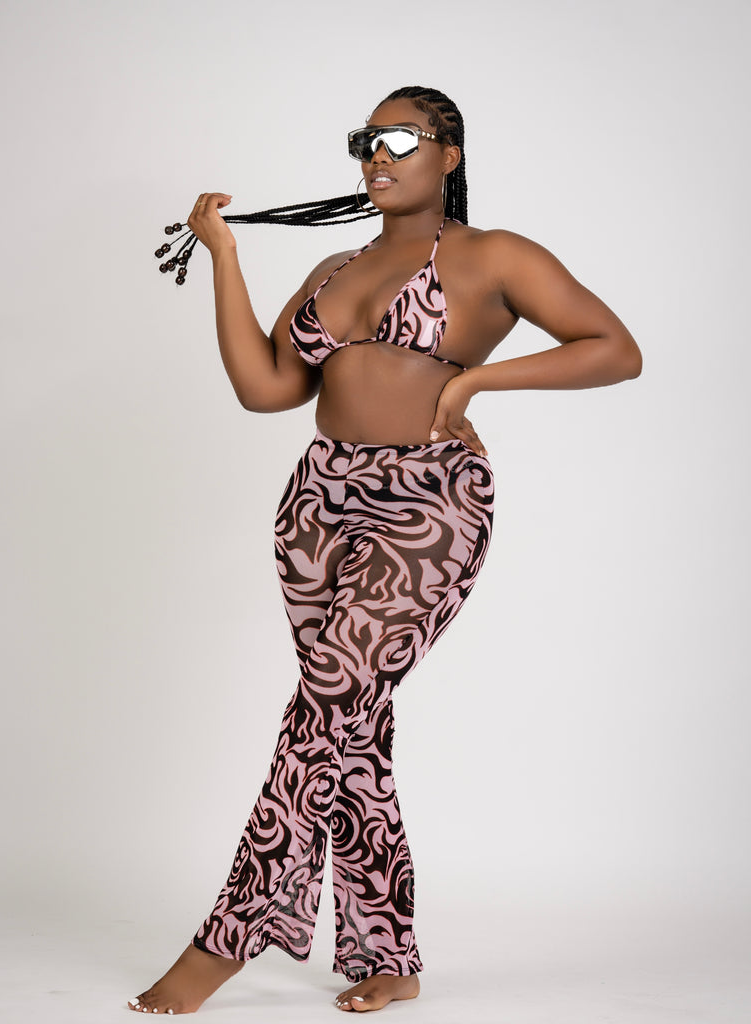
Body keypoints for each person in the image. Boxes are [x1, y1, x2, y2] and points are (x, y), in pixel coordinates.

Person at [130, 85, 642, 1016]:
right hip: (317, 503)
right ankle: (389, 956)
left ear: (449, 154)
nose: (379, 153)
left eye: (402, 137)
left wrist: (477, 381)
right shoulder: (335, 266)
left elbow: (615, 348)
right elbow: (266, 387)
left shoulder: (494, 256)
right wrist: (226, 259)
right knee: (349, 725)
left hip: (429, 500)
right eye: (368, 138)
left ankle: (226, 939)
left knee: (326, 703)